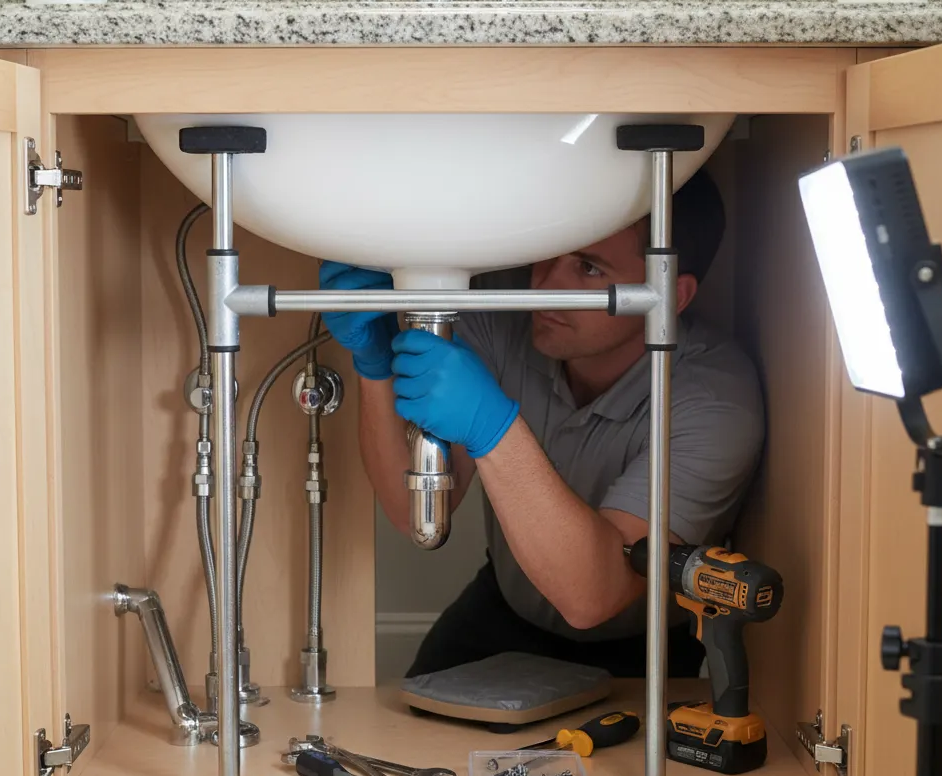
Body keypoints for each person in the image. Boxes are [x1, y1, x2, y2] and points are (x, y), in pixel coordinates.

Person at [319, 167, 764, 679]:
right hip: (506, 607)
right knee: (408, 726)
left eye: (589, 268)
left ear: (671, 296)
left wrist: (494, 428)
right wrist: (372, 366)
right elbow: (410, 512)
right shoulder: (502, 312)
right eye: (550, 251)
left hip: (642, 644)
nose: (546, 286)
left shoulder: (714, 400)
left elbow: (593, 595)